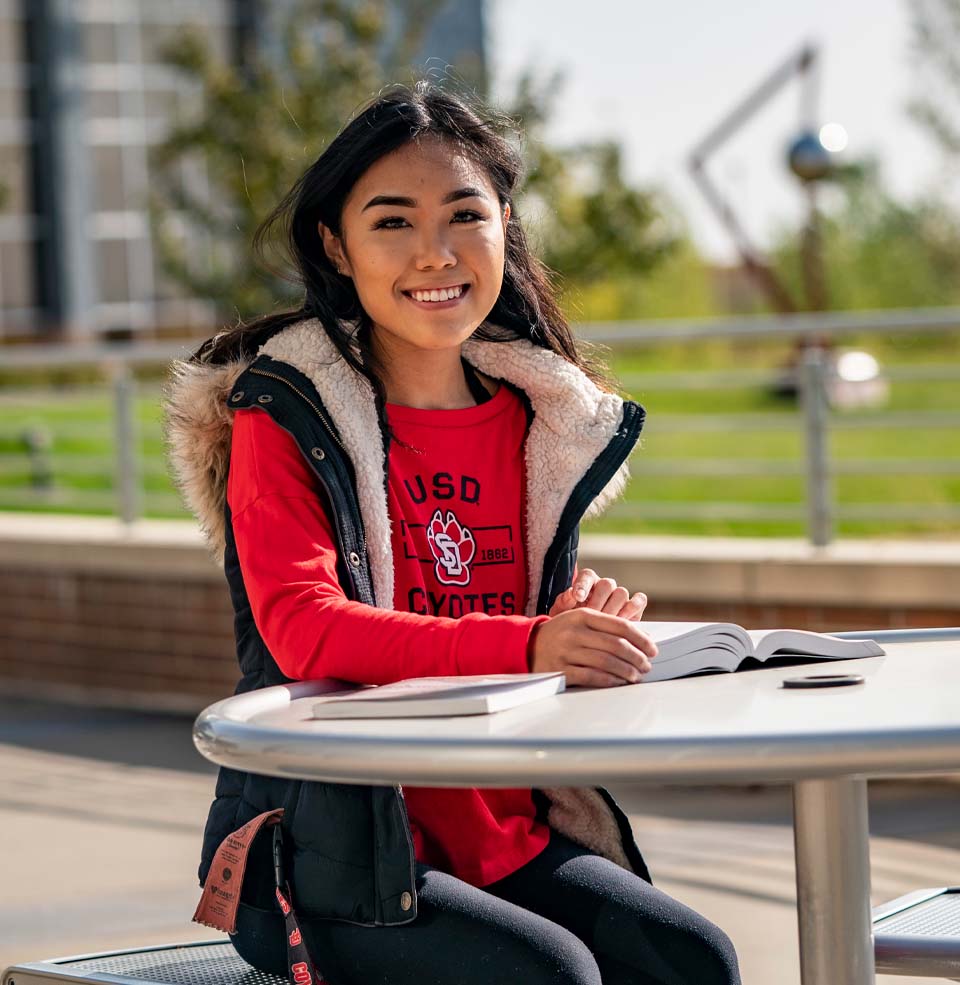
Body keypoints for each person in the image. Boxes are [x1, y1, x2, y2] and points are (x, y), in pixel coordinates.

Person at [164, 81, 741, 985]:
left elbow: (511, 624)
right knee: (554, 975)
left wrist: (576, 627)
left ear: (504, 227)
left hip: (507, 836)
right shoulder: (285, 413)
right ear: (335, 246)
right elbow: (304, 626)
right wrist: (531, 639)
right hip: (330, 860)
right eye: (392, 221)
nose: (434, 253)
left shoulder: (538, 418)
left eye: (463, 215)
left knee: (692, 959)